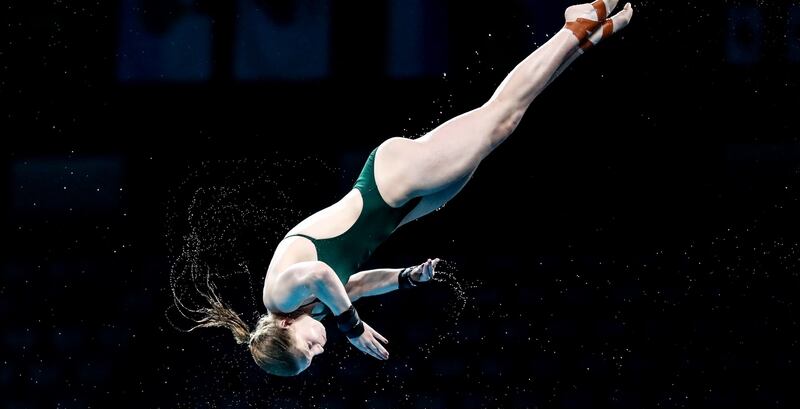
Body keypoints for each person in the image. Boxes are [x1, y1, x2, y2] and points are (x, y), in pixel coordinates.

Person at [182, 0, 634, 376]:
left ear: (283, 332)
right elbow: (352, 284)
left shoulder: (279, 297)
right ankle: (584, 40)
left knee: (499, 116)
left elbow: (323, 275)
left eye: (309, 350)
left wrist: (353, 328)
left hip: (388, 185)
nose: (320, 349)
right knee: (504, 125)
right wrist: (405, 278)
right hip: (401, 209)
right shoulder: (311, 310)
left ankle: (577, 25)